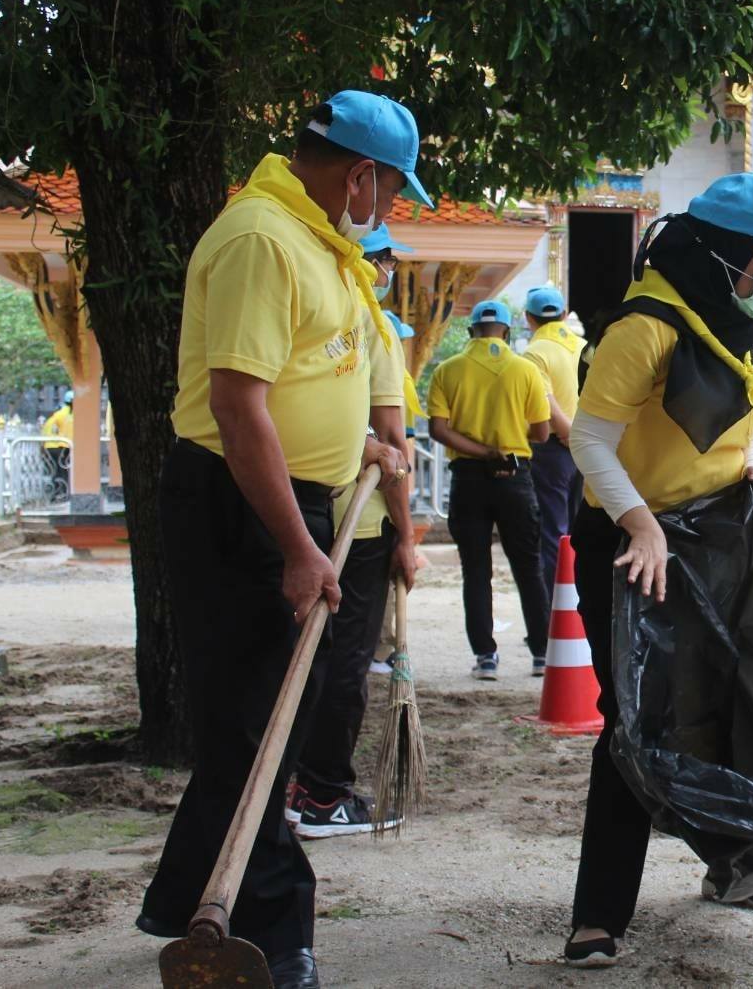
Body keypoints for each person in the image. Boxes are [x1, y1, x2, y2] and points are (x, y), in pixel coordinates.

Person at [136, 89, 425, 989]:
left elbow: (308, 379)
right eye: (389, 189)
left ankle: (187, 902)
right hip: (242, 506)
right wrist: (299, 544)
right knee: (259, 727)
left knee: (264, 720)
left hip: (292, 496)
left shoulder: (318, 243)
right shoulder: (263, 238)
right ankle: (272, 929)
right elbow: (237, 403)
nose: (389, 207)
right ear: (359, 174)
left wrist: (362, 446)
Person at [563, 172, 753, 968]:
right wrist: (639, 523)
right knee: (633, 720)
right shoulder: (643, 326)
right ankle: (598, 913)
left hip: (715, 539)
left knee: (726, 707)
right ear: (719, 255)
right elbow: (590, 441)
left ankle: (733, 860)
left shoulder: (746, 331)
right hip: (630, 541)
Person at [289, 223, 418, 838]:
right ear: (376, 262)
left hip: (299, 509)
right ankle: (323, 793)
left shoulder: (316, 306)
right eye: (389, 261)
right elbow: (393, 441)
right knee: (345, 659)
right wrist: (408, 535)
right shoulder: (369, 318)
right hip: (358, 527)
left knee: (310, 655)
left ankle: (297, 782)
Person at [428, 300, 552, 680]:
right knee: (528, 568)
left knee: (476, 570)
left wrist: (482, 450)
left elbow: (438, 428)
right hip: (515, 478)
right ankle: (541, 654)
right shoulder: (525, 370)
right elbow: (542, 432)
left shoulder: (448, 371)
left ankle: (485, 656)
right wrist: (508, 438)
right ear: (506, 331)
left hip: (469, 480)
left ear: (470, 333)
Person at [520, 285, 585, 592]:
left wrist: (568, 434)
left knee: (553, 534)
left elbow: (546, 404)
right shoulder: (586, 346)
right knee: (582, 531)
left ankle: (554, 616)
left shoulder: (534, 353)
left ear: (528, 319)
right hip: (590, 450)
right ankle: (581, 615)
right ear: (563, 314)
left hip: (553, 450)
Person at [41, 390, 74, 497]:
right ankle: (63, 492)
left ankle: (57, 493)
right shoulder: (71, 414)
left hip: (53, 447)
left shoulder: (56, 416)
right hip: (64, 446)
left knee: (55, 471)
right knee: (64, 471)